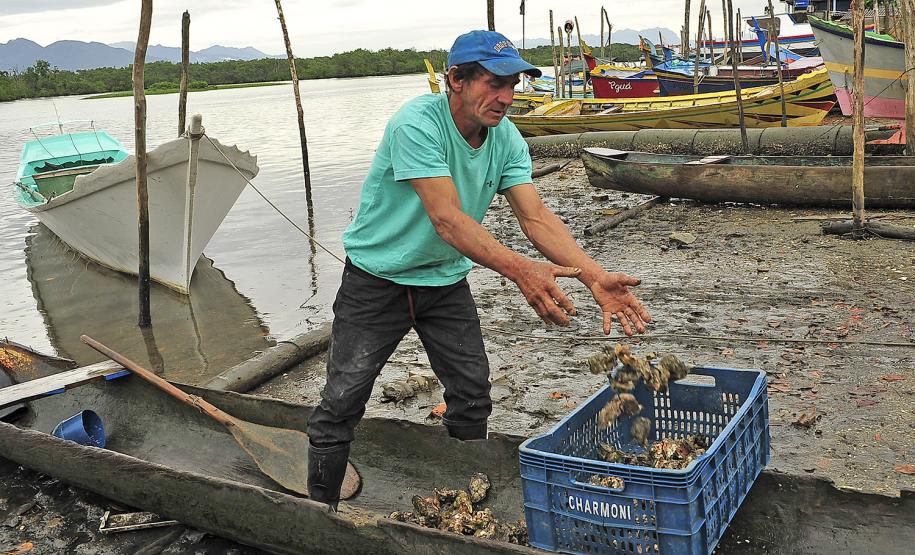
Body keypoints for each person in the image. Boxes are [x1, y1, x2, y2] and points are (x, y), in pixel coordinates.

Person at [305, 30, 651, 509]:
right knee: (343, 398)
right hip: (377, 280)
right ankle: (319, 507)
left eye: (513, 85)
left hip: (444, 281)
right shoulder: (418, 123)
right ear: (457, 81)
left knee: (471, 395)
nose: (506, 97)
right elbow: (447, 219)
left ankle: (463, 497)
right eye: (493, 83)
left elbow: (536, 217)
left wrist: (593, 274)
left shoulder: (505, 136)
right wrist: (522, 271)